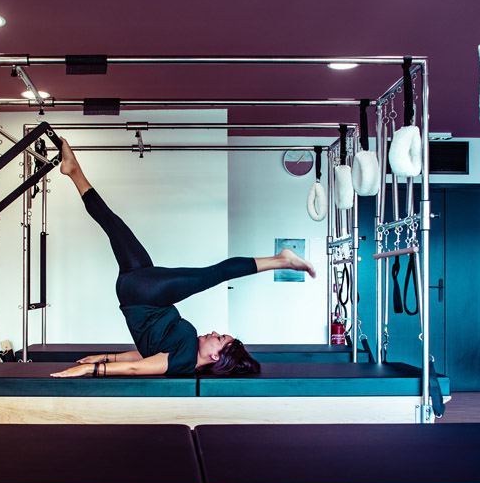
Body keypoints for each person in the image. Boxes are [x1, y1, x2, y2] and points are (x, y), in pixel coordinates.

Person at [50, 139, 316, 378]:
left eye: (220, 338)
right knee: (114, 225)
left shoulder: (183, 361)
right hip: (139, 290)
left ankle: (281, 260)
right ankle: (74, 172)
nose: (214, 332)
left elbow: (137, 368)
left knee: (213, 274)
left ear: (215, 356)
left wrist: (90, 369)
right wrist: (105, 357)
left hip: (144, 295)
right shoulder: (181, 358)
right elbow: (144, 357)